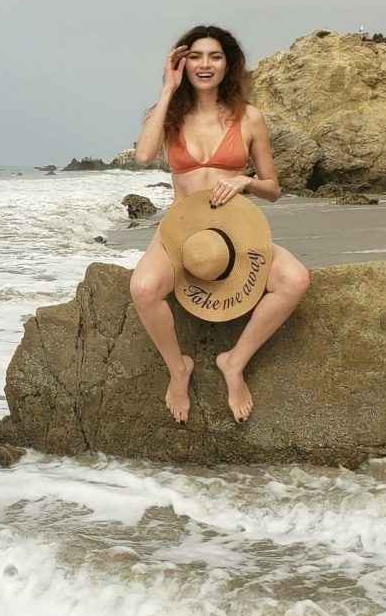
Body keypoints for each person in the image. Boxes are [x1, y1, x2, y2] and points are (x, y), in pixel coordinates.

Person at [130, 24, 310, 424]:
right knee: (143, 288)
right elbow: (142, 156)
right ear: (182, 63)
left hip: (235, 234)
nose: (205, 64)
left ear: (228, 64)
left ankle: (234, 362)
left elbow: (273, 188)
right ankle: (178, 367)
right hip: (181, 233)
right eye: (195, 56)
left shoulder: (249, 118)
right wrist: (166, 89)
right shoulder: (170, 117)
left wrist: (246, 181)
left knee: (295, 280)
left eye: (214, 56)